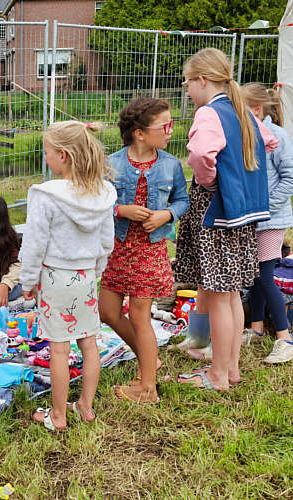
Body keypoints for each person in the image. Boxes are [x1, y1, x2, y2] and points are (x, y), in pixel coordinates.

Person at [174, 48, 278, 391]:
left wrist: (208, 180)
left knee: (219, 294)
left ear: (203, 80)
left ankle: (217, 375)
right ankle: (229, 367)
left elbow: (201, 154)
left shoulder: (209, 113)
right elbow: (269, 141)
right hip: (242, 213)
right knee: (229, 293)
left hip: (216, 212)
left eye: (188, 82)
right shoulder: (241, 110)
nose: (187, 90)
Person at [19, 121, 116, 430]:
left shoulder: (46, 195)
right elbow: (106, 242)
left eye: (47, 152)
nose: (45, 157)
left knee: (59, 349)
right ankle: (85, 406)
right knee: (89, 342)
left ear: (63, 155)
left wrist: (27, 280)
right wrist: (95, 271)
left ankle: (58, 415)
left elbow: (34, 243)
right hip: (85, 276)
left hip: (55, 278)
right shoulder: (103, 193)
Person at [99, 98, 189, 403]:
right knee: (107, 312)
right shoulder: (111, 164)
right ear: (139, 133)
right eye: (165, 125)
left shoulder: (170, 164)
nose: (170, 131)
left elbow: (182, 200)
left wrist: (166, 214)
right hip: (117, 248)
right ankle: (149, 358)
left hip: (149, 251)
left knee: (139, 316)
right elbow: (97, 203)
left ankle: (148, 388)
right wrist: (121, 210)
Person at [241, 83, 293, 364]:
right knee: (256, 275)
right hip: (254, 219)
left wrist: (264, 206)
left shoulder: (278, 136)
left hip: (272, 219)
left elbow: (290, 178)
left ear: (257, 109)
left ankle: (285, 338)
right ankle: (257, 329)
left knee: (264, 275)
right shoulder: (247, 134)